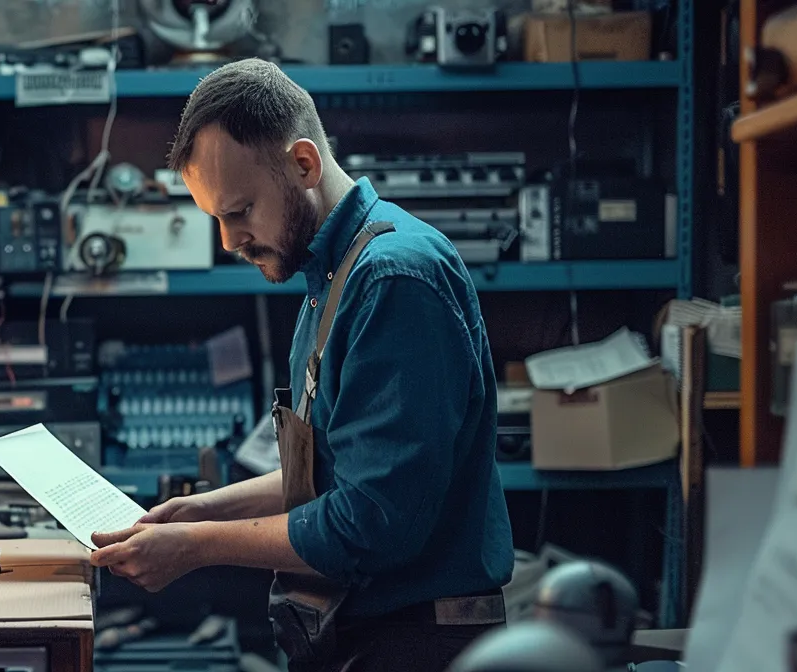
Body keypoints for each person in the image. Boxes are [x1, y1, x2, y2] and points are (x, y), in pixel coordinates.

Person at [87, 58, 515, 671]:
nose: (229, 242)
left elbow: (370, 523)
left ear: (304, 164)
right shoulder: (332, 275)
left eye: (239, 212)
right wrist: (203, 508)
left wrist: (196, 547)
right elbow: (336, 474)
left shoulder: (393, 278)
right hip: (364, 634)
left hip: (413, 645)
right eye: (216, 219)